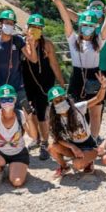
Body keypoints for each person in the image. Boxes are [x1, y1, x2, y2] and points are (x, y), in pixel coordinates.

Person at [46, 0, 106, 141]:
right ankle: (79, 138)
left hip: (95, 75)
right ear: (80, 26)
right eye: (84, 25)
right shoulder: (73, 41)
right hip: (77, 76)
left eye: (90, 26)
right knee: (75, 110)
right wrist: (58, 2)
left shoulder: (98, 42)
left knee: (96, 111)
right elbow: (66, 20)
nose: (87, 28)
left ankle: (93, 140)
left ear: (94, 27)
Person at [21, 12, 65, 161]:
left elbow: (54, 63)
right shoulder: (22, 44)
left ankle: (45, 143)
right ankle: (37, 138)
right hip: (27, 83)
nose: (35, 30)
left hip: (44, 83)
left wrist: (61, 82)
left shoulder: (47, 44)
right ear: (27, 28)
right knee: (30, 113)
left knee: (41, 114)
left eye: (39, 27)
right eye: (33, 27)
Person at [45, 77, 106, 178]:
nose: (60, 102)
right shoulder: (54, 118)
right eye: (56, 101)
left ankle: (89, 161)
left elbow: (97, 99)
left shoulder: (78, 108)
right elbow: (58, 138)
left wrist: (103, 87)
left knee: (77, 165)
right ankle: (64, 167)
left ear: (66, 98)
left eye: (61, 99)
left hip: (88, 145)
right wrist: (73, 147)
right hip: (73, 146)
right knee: (52, 147)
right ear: (52, 104)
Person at [0, 85, 39, 187]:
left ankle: (16, 168)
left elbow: (34, 136)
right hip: (0, 152)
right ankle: (0, 169)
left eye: (10, 99)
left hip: (18, 153)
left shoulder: (20, 114)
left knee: (17, 182)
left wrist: (29, 119)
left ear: (15, 100)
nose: (7, 102)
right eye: (3, 100)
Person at [0, 9, 37, 112]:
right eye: (7, 23)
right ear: (0, 23)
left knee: (25, 117)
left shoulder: (18, 41)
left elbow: (33, 59)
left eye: (11, 23)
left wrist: (31, 44)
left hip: (18, 88)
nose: (9, 25)